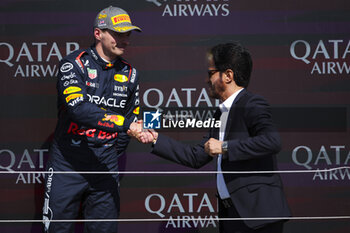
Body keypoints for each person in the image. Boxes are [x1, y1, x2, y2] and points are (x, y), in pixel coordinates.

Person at [129, 42, 291, 233]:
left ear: (228, 76)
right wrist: (154, 139)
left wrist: (225, 147)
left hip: (258, 216)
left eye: (211, 73)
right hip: (231, 215)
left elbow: (272, 141)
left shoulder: (252, 103)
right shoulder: (220, 113)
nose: (207, 80)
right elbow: (196, 156)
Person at [42, 6, 141, 233]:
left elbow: (132, 116)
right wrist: (126, 125)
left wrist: (112, 148)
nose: (124, 40)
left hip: (105, 166)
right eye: (118, 34)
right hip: (67, 164)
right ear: (98, 34)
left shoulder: (131, 73)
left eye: (128, 34)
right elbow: (79, 110)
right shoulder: (73, 64)